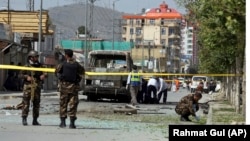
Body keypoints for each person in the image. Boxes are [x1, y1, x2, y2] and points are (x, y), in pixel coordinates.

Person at [55, 49, 85, 129]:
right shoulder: (77, 64)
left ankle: (63, 123)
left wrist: (60, 77)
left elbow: (56, 72)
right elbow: (82, 72)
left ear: (66, 55)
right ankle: (72, 123)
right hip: (73, 88)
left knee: (63, 104)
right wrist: (78, 79)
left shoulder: (62, 64)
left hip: (64, 87)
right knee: (73, 105)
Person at [19, 50, 47, 126]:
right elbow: (20, 75)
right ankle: (24, 119)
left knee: (36, 104)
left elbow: (46, 72)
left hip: (37, 87)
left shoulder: (40, 65)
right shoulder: (26, 66)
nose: (37, 58)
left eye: (37, 56)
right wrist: (26, 77)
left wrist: (44, 75)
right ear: (31, 57)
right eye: (35, 56)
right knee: (25, 103)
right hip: (28, 87)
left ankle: (35, 120)